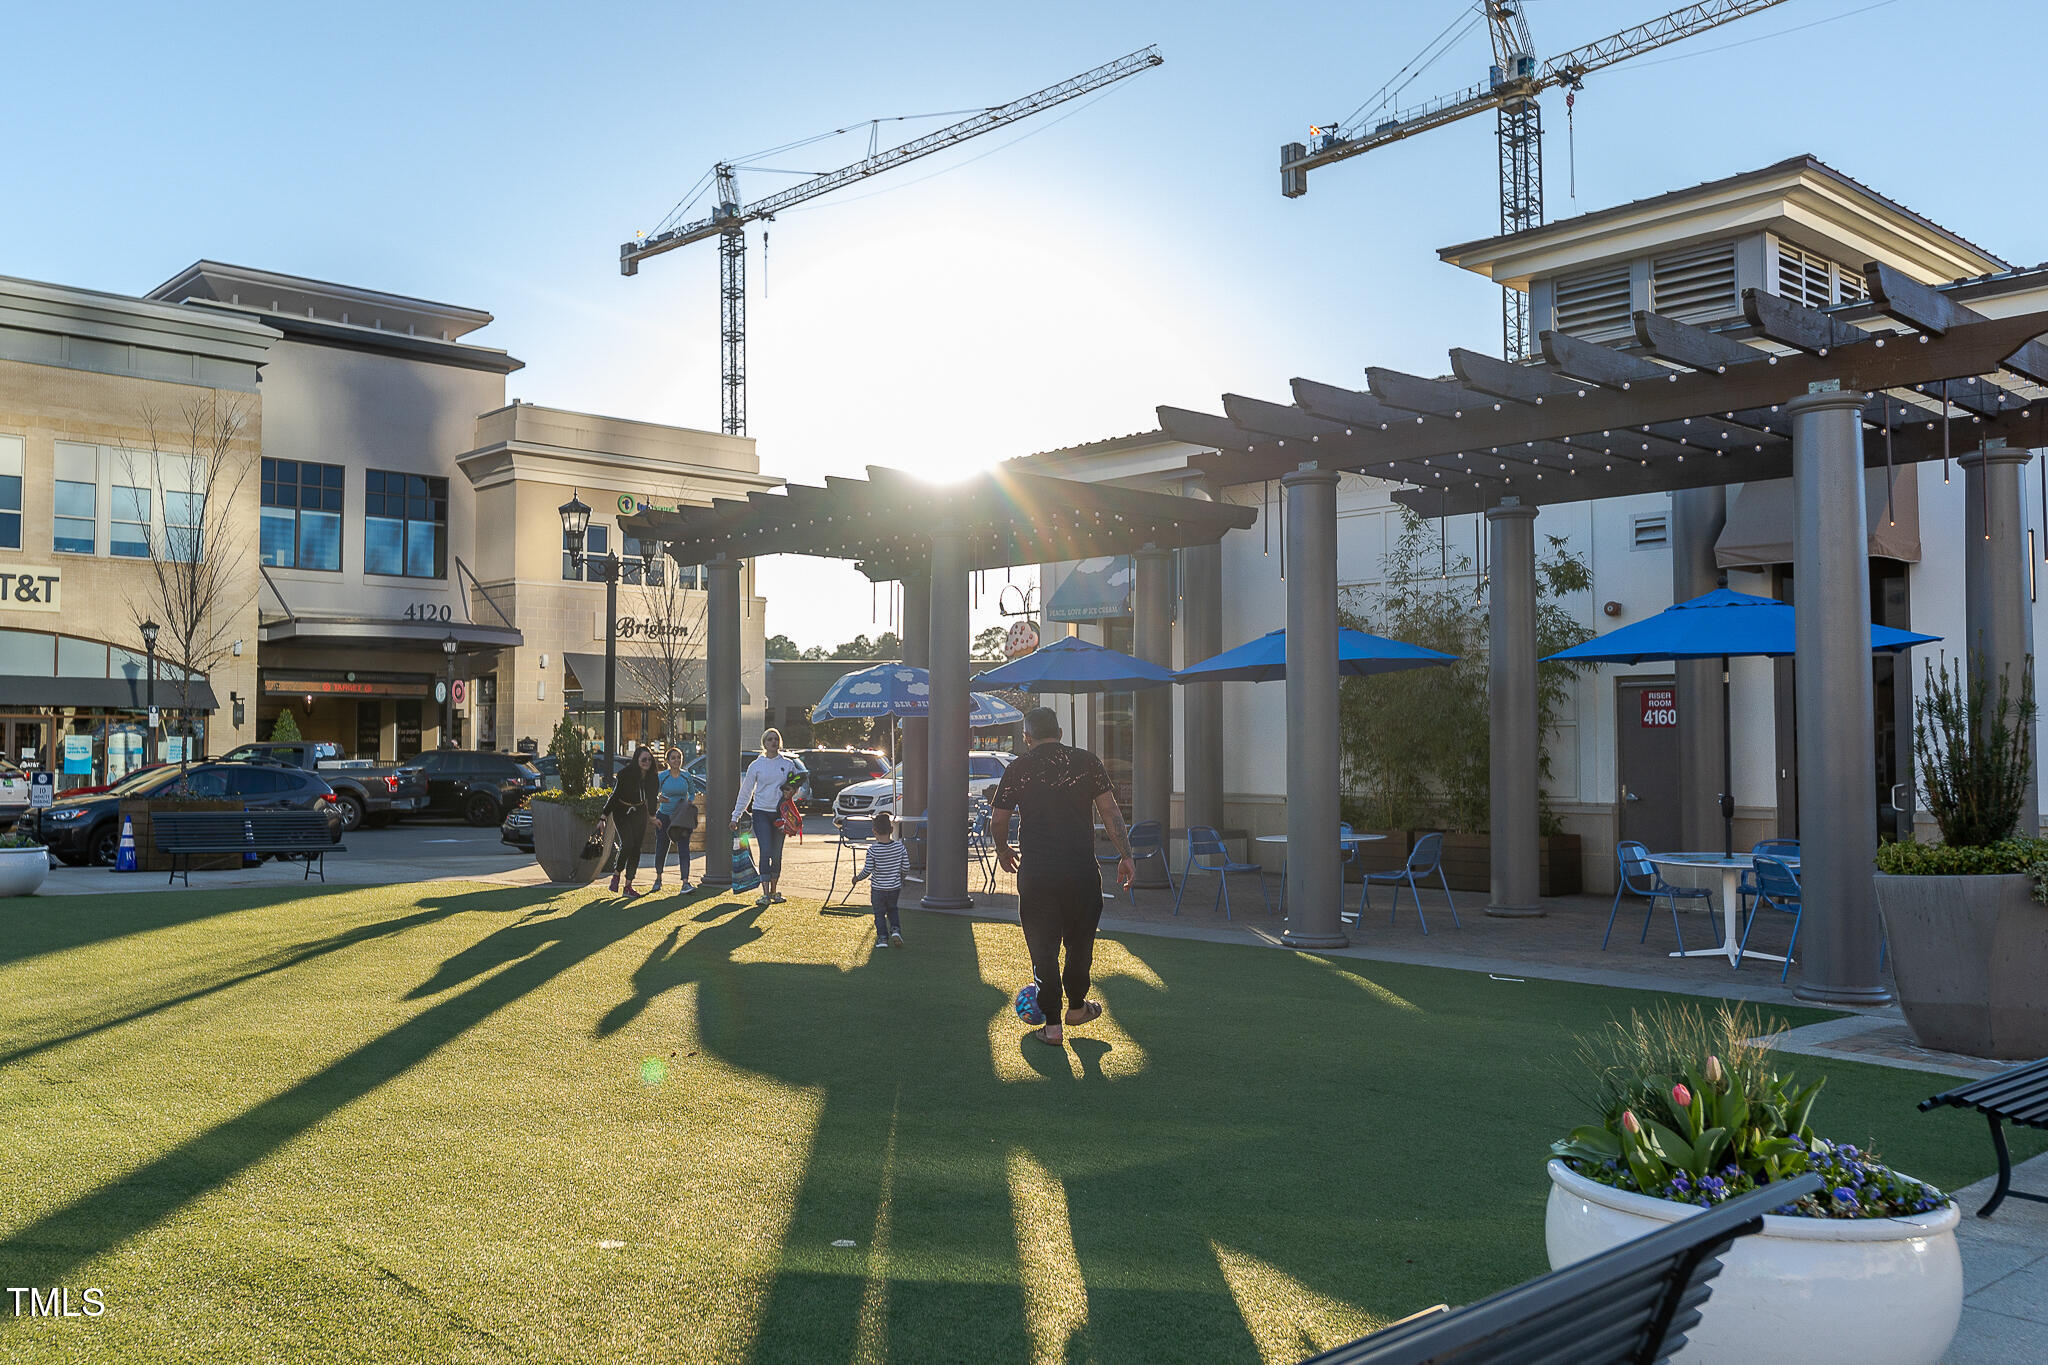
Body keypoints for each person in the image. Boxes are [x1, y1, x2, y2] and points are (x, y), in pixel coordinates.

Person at [990, 706, 1133, 1046]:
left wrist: (1003, 850)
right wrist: (1126, 855)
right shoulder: (1087, 762)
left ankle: (1052, 1026)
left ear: (1027, 737)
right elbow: (1110, 811)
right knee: (1080, 944)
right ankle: (1078, 1007)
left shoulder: (1018, 768)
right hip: (1080, 870)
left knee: (1043, 949)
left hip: (1038, 873)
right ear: (1061, 733)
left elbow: (998, 820)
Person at [731, 728, 801, 908]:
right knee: (766, 850)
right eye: (769, 739)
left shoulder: (788, 764)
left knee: (777, 853)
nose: (773, 742)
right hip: (761, 812)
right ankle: (764, 893)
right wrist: (736, 815)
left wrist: (792, 791)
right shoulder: (756, 765)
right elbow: (746, 791)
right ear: (764, 743)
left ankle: (774, 891)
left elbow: (796, 786)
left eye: (776, 739)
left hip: (781, 814)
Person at [604, 745, 660, 897]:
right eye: (643, 759)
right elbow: (615, 796)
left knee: (636, 848)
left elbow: (652, 798)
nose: (647, 762)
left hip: (639, 811)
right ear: (637, 760)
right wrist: (603, 816)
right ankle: (616, 873)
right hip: (622, 810)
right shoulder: (625, 774)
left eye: (649, 759)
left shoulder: (652, 777)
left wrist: (653, 816)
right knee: (627, 843)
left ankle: (628, 885)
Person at [851, 811, 908, 950]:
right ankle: (895, 930)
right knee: (893, 909)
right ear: (892, 830)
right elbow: (906, 867)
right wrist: (901, 877)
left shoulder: (873, 850)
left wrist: (857, 878)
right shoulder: (900, 847)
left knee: (879, 913)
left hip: (878, 888)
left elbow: (868, 869)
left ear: (874, 831)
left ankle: (882, 938)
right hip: (894, 887)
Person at [651, 746, 698, 894]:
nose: (676, 760)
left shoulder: (686, 776)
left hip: (681, 818)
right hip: (664, 816)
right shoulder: (662, 776)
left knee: (684, 848)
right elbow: (653, 793)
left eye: (679, 757)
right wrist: (659, 798)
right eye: (673, 758)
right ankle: (658, 878)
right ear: (668, 761)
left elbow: (692, 793)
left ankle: (685, 882)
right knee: (661, 847)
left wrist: (689, 802)